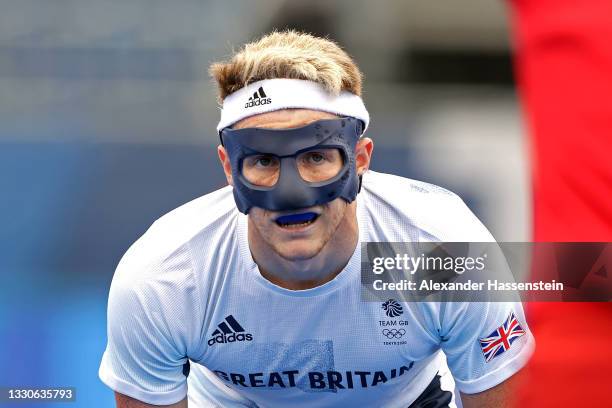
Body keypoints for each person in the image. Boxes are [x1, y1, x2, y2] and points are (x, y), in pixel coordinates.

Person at [99, 30, 534, 407]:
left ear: (360, 160)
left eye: (316, 156)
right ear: (230, 168)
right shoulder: (166, 278)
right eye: (264, 160)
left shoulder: (439, 251)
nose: (292, 193)